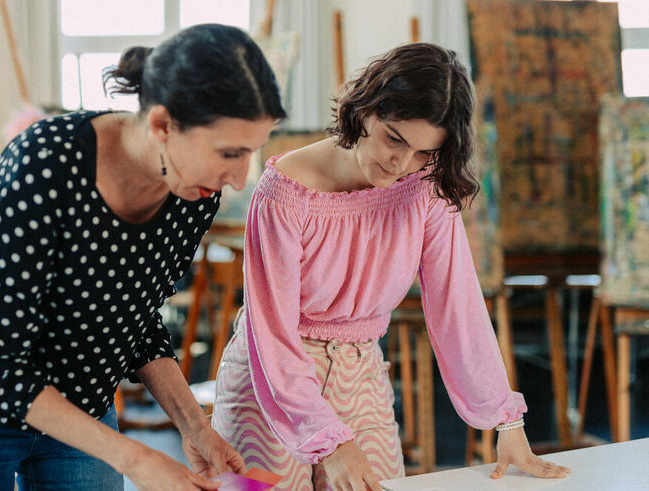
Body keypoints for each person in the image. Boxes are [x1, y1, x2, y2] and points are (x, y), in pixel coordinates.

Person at [0, 24, 285, 490]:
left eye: (250, 153)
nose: (237, 178)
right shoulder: (45, 164)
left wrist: (196, 427)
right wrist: (135, 458)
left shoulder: (194, 191)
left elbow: (136, 317)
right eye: (229, 152)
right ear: (162, 124)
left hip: (78, 404)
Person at [211, 43, 571, 490]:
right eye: (394, 138)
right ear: (365, 111)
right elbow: (273, 334)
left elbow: (457, 306)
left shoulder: (424, 188)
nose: (401, 163)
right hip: (269, 383)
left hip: (360, 373)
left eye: (425, 153)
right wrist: (329, 441)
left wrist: (506, 421)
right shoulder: (284, 193)